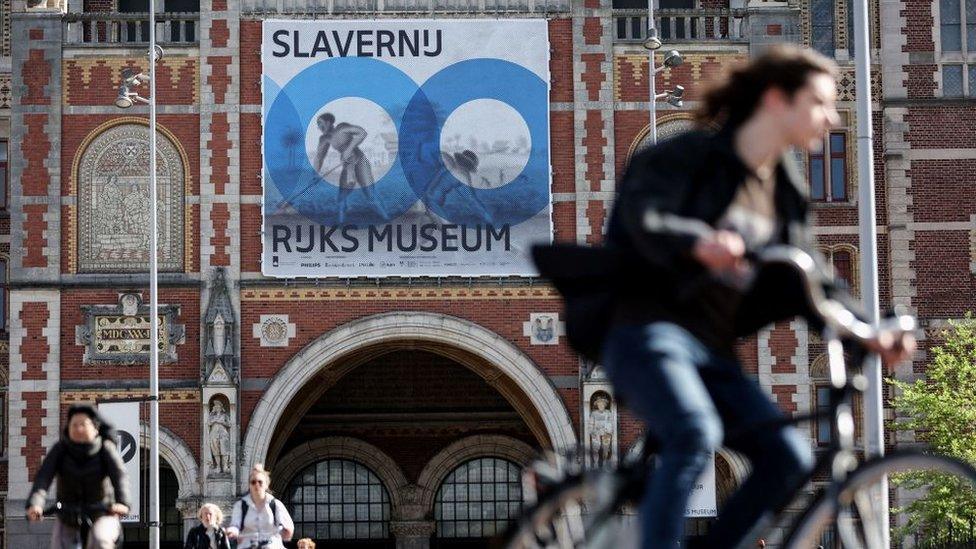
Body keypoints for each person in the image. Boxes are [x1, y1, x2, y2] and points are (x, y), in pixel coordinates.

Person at [597, 45, 916, 548]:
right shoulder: (687, 155)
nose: (832, 119)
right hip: (642, 329)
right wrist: (696, 241)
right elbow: (640, 216)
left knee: (788, 456)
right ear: (776, 100)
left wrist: (868, 329)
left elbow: (811, 276)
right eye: (820, 103)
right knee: (694, 434)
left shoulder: (782, 184)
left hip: (709, 349)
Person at [26, 404, 130, 549]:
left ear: (95, 428)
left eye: (83, 424)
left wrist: (122, 503)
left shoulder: (105, 449)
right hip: (68, 515)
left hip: (102, 512)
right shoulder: (60, 449)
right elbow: (43, 477)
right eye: (74, 424)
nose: (78, 428)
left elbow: (119, 476)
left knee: (100, 542)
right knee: (60, 545)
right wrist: (36, 503)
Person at [313, 112, 389, 224]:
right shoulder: (324, 139)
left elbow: (362, 133)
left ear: (329, 122)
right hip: (348, 165)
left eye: (320, 123)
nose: (319, 126)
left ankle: (387, 219)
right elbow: (319, 157)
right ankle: (340, 224)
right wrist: (315, 174)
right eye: (317, 124)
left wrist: (349, 149)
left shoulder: (342, 128)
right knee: (341, 198)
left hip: (360, 162)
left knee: (370, 195)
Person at [226, 464, 294, 549]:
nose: (256, 485)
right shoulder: (240, 505)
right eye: (253, 482)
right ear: (249, 485)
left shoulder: (275, 505)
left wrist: (285, 531)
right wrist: (232, 531)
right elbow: (235, 525)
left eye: (260, 482)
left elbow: (286, 527)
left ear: (266, 484)